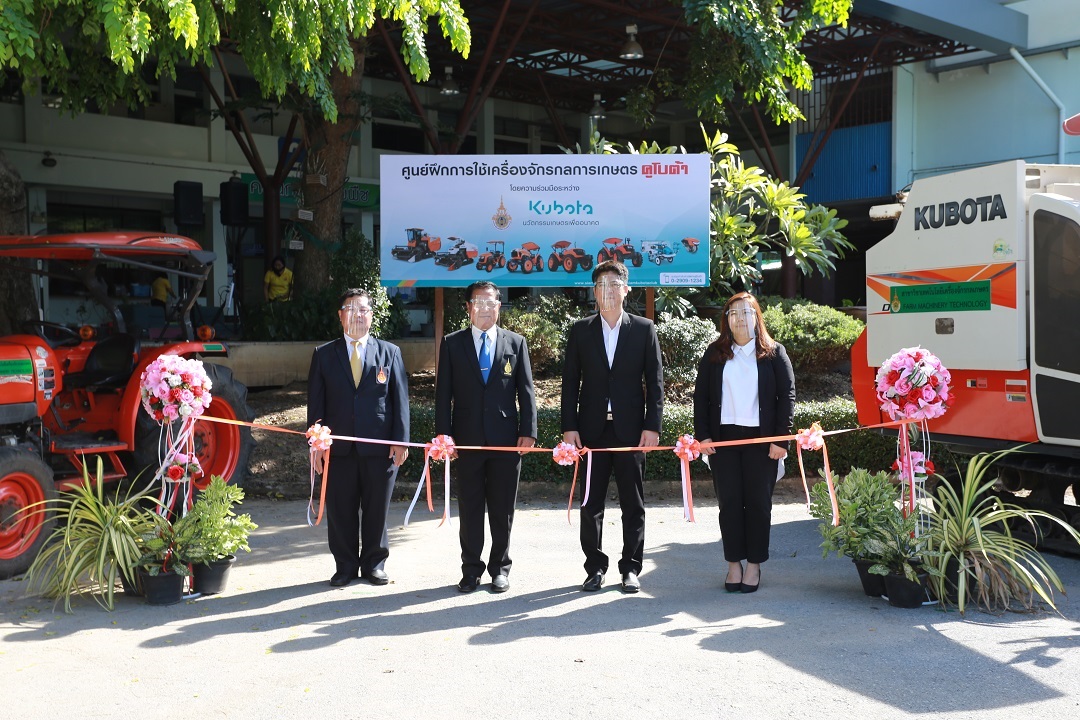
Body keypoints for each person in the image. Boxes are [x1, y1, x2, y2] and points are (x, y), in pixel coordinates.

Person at [561, 260, 663, 594]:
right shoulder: (580, 331)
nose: (608, 289)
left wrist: (653, 426)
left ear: (626, 288)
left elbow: (655, 383)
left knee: (633, 504)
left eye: (614, 283)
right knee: (591, 504)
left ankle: (631, 568)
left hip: (631, 432)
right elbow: (569, 384)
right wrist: (569, 427)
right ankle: (595, 567)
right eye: (601, 284)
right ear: (594, 291)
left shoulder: (644, 329)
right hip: (591, 433)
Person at [436, 281, 537, 594]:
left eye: (491, 302)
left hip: (506, 440)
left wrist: (528, 432)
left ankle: (500, 568)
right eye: (478, 302)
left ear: (498, 306)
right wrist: (444, 435)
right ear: (468, 307)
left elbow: (527, 390)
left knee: (502, 507)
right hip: (466, 440)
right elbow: (443, 395)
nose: (485, 308)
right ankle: (470, 569)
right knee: (469, 507)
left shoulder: (515, 343)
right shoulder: (452, 344)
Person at [693, 292, 795, 594]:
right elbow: (702, 398)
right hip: (724, 440)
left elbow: (786, 397)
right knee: (730, 504)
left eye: (747, 312)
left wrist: (780, 439)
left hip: (762, 442)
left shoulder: (775, 353)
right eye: (733, 313)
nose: (740, 318)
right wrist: (704, 436)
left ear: (757, 317)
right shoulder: (715, 353)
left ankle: (754, 564)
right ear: (726, 320)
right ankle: (733, 564)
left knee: (759, 504)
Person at [307, 289, 409, 588]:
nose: (357, 314)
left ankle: (375, 564)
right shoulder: (324, 354)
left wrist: (400, 440)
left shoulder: (389, 352)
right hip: (337, 450)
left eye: (363, 309)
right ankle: (346, 565)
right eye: (350, 309)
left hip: (379, 448)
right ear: (340, 316)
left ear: (372, 316)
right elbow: (316, 405)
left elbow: (399, 400)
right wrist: (316, 445)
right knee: (341, 510)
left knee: (376, 508)